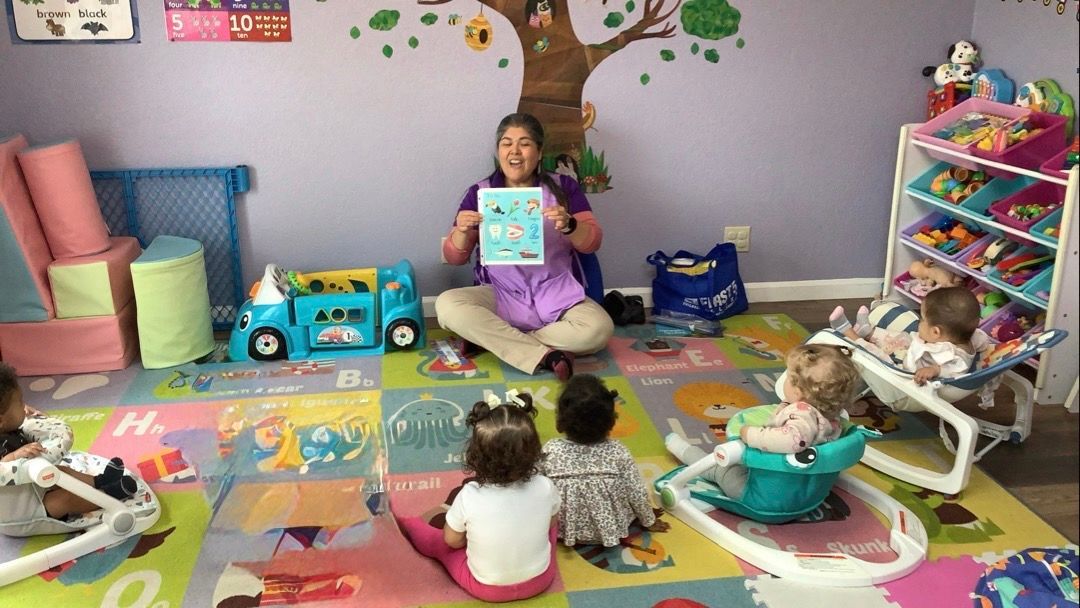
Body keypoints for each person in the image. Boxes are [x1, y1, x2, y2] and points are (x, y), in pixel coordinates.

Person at [435, 112, 614, 382]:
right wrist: (462, 230)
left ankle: (494, 340)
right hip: (500, 293)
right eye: (506, 143)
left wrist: (570, 225)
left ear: (539, 152)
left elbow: (593, 242)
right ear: (498, 151)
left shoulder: (564, 188)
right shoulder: (480, 193)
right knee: (447, 305)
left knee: (599, 329)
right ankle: (546, 355)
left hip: (556, 293)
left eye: (525, 143)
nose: (515, 151)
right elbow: (454, 257)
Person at [396, 394, 560, 603]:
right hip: (540, 580)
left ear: (475, 456)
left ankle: (408, 524)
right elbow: (551, 524)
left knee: (440, 543)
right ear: (534, 451)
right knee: (551, 522)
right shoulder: (545, 485)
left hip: (486, 588)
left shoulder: (469, 495)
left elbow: (452, 541)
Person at [665, 344, 859, 500]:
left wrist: (750, 434)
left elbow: (792, 440)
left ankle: (686, 452)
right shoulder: (832, 416)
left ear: (798, 390)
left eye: (788, 377)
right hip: (806, 490)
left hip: (765, 493)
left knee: (721, 469)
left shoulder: (801, 416)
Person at [0, 363, 137, 536]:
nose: (24, 405)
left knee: (61, 472)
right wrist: (14, 456)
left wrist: (33, 418)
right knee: (64, 499)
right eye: (20, 402)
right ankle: (108, 494)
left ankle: (100, 480)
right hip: (24, 512)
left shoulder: (8, 427)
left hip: (32, 486)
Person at [539, 374, 668, 546]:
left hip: (565, 530)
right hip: (611, 529)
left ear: (559, 423)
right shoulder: (618, 451)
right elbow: (636, 492)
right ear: (611, 423)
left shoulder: (551, 450)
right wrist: (648, 520)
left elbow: (533, 483)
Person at [829, 287, 989, 385]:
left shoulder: (953, 356)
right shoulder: (966, 336)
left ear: (936, 332)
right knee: (900, 337)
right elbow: (982, 344)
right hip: (918, 353)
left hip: (905, 374)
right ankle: (868, 332)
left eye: (923, 320)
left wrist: (935, 370)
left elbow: (957, 368)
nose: (920, 322)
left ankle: (849, 334)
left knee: (878, 356)